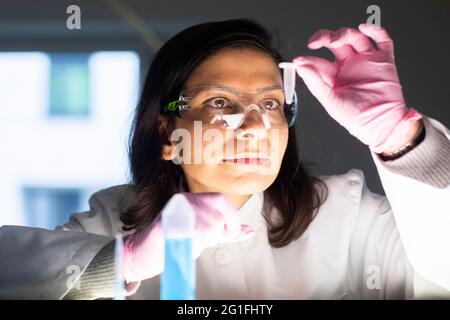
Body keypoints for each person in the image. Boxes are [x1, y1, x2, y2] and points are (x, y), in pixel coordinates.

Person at [0, 19, 449, 300]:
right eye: (219, 103)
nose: (255, 126)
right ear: (168, 133)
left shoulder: (348, 214)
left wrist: (401, 136)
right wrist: (124, 263)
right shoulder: (110, 225)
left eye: (271, 104)